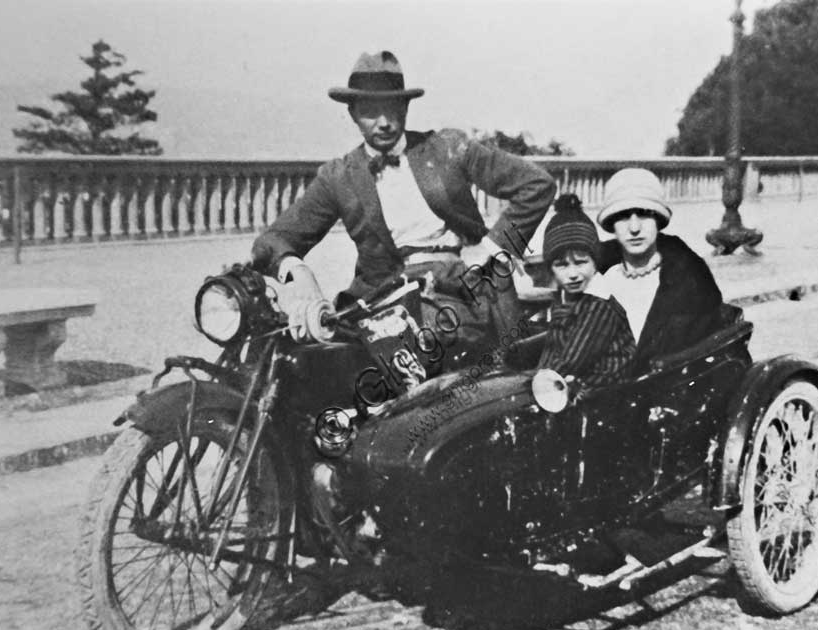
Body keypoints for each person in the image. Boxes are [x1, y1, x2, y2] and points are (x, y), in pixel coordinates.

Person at [249, 50, 556, 358]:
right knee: (303, 358)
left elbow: (537, 185)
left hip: (463, 290)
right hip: (383, 298)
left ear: (406, 107)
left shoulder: (447, 148)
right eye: (370, 111)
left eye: (392, 108)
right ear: (353, 113)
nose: (383, 123)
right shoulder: (339, 176)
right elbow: (273, 240)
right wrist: (297, 270)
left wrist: (491, 249)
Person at [596, 168, 724, 371]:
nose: (634, 227)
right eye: (623, 216)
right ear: (612, 225)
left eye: (645, 215)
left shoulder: (690, 281)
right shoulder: (600, 280)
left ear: (658, 220)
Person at [537, 194, 636, 387]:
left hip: (609, 387)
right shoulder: (564, 297)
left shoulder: (599, 305)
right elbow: (553, 347)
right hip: (576, 380)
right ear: (551, 268)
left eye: (581, 262)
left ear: (594, 262)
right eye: (562, 265)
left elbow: (572, 360)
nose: (573, 274)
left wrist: (534, 381)